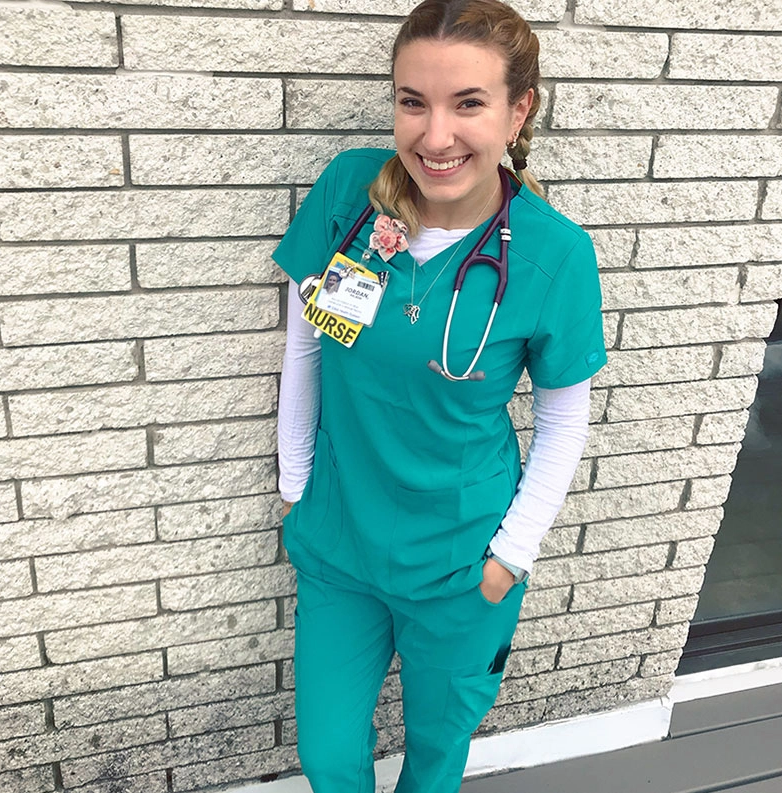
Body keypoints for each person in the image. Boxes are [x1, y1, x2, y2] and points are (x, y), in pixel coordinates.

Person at [274, 1, 607, 791]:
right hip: (339, 545)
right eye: (412, 101)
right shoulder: (349, 194)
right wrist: (296, 490)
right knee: (326, 757)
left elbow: (563, 417)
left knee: (432, 759)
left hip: (464, 561)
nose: (434, 136)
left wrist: (509, 556)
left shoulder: (553, 255)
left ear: (517, 109)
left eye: (467, 103)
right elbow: (304, 347)